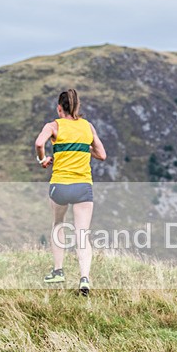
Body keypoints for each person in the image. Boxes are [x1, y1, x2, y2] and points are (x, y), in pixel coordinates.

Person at [34, 89, 106, 296]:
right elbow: (102, 154)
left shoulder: (53, 126)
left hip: (60, 185)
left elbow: (39, 143)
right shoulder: (87, 126)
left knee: (58, 225)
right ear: (77, 108)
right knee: (82, 233)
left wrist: (43, 159)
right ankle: (84, 278)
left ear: (59, 108)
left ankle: (58, 271)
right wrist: (84, 148)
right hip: (83, 186)